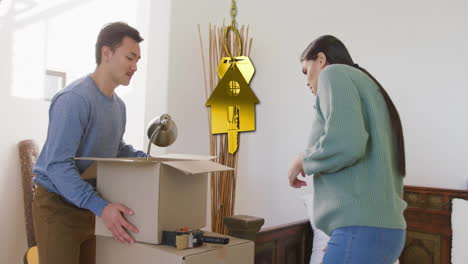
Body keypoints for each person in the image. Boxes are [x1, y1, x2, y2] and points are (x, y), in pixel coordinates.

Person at [32, 22, 145, 264]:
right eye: (130, 57)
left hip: (89, 204)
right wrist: (101, 207)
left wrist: (150, 161)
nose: (135, 67)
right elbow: (58, 165)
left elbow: (115, 149)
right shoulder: (74, 99)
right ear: (106, 53)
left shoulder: (118, 106)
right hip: (58, 206)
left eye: (138, 60)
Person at [288, 35, 407, 263]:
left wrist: (303, 160)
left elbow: (347, 144)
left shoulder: (335, 74)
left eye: (306, 70)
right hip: (380, 232)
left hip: (361, 230)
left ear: (321, 59)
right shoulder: (368, 87)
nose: (306, 81)